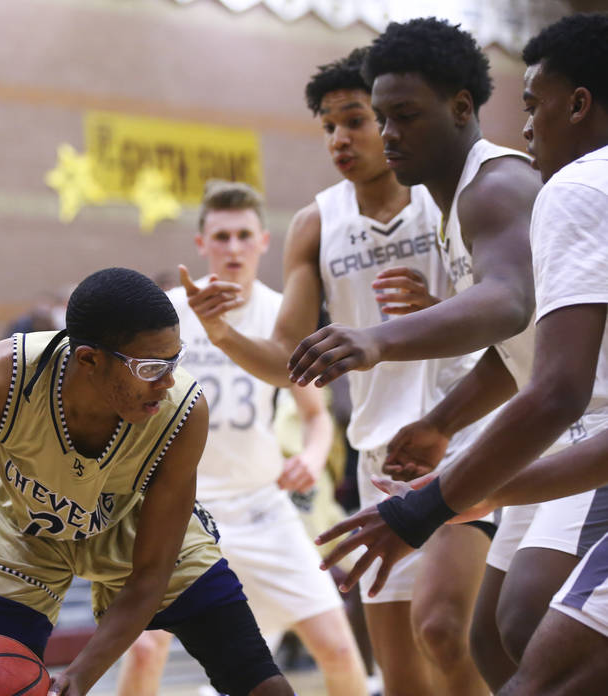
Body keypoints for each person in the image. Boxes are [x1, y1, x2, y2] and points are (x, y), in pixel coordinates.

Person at [293, 18, 608, 689]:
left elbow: (509, 303)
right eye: (382, 118)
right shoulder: (457, 204)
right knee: (488, 634)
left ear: (462, 108)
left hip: (575, 428)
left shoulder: (501, 185)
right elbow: (518, 348)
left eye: (403, 115)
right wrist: (443, 422)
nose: (389, 134)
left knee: (525, 626)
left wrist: (376, 340)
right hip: (549, 427)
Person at [179, 47, 496, 696]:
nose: (340, 138)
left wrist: (441, 313)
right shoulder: (316, 222)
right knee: (401, 676)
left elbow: (510, 313)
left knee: (443, 630)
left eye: (355, 120)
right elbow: (285, 362)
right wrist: (220, 332)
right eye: (328, 126)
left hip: (462, 433)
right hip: (379, 458)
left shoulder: (445, 194)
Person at [0, 267, 293, 696]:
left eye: (174, 360)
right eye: (151, 367)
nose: (168, 381)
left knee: (264, 686)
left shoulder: (183, 414)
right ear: (88, 359)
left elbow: (151, 574)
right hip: (23, 526)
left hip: (130, 521)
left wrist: (80, 675)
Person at [116, 181, 367, 696]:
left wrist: (313, 458)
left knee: (340, 650)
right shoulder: (165, 313)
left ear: (263, 242)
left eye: (243, 236)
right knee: (143, 649)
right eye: (222, 236)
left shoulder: (282, 316)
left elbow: (317, 417)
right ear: (201, 243)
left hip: (260, 506)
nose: (233, 247)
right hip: (177, 509)